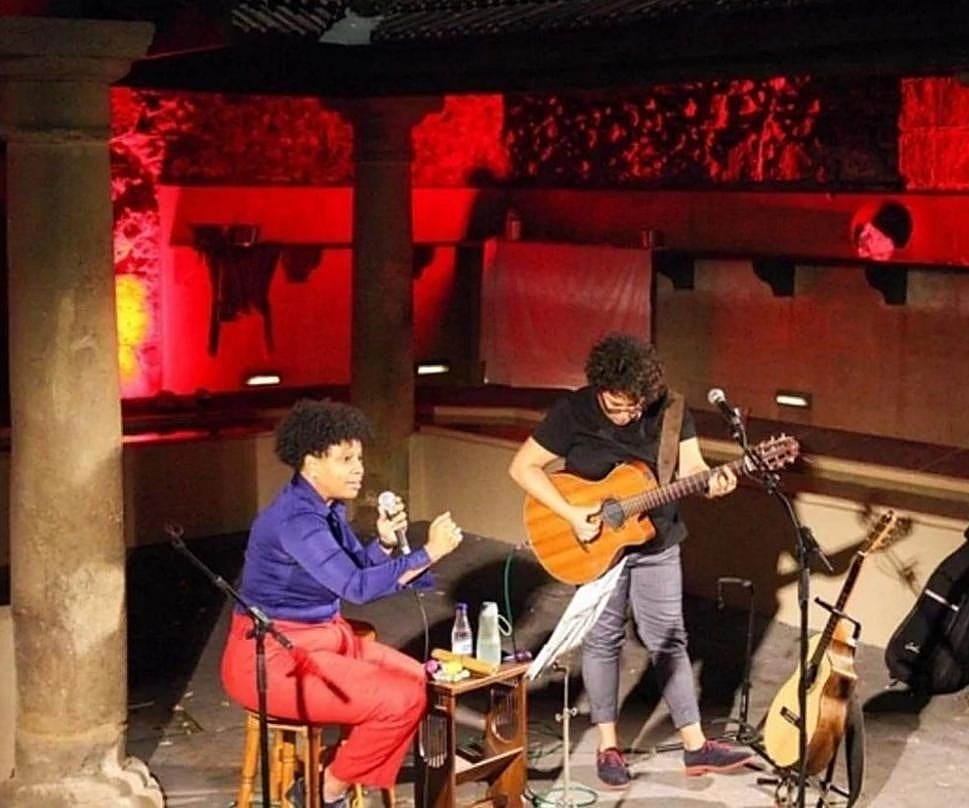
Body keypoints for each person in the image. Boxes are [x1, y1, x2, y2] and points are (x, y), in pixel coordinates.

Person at [508, 334, 752, 789]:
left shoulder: (671, 410)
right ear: (599, 388)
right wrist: (571, 514)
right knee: (604, 641)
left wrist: (714, 481)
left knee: (669, 638)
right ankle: (608, 746)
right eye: (617, 407)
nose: (627, 415)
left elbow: (692, 468)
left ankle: (696, 745)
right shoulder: (574, 412)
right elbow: (522, 468)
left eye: (635, 407)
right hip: (594, 543)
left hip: (656, 540)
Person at [220, 398, 463, 807]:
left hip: (325, 640)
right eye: (346, 458)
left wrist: (385, 545)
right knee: (400, 701)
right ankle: (324, 790)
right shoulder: (296, 519)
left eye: (360, 457)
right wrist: (429, 553)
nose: (358, 468)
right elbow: (356, 588)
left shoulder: (327, 509)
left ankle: (349, 766)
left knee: (421, 679)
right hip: (274, 659)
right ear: (312, 464)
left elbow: (352, 571)